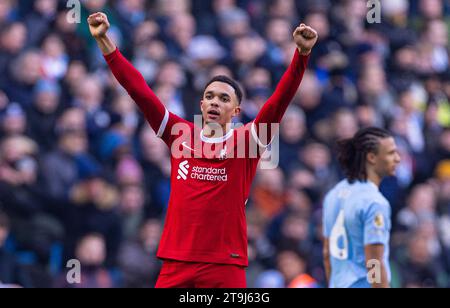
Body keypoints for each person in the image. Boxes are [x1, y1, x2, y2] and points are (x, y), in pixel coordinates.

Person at [88, 12, 318, 288]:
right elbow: (139, 90)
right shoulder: (180, 133)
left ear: (236, 111)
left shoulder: (248, 141)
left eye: (223, 98)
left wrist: (301, 56)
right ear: (200, 105)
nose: (214, 102)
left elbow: (279, 102)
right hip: (177, 259)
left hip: (224, 263)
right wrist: (105, 41)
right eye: (209, 96)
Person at [322, 127, 401, 288]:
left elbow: (326, 254)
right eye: (391, 153)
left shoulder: (333, 194)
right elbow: (374, 261)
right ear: (372, 158)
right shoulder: (374, 202)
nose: (398, 159)